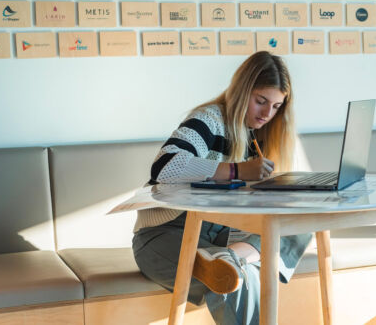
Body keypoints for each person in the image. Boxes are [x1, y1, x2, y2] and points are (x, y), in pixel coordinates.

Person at [132, 51, 312, 325]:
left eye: (276, 107)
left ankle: (232, 258)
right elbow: (164, 167)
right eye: (261, 101)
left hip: (222, 236)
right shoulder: (210, 119)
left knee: (299, 225)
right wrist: (237, 170)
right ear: (241, 92)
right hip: (166, 234)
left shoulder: (262, 134)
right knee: (236, 278)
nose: (267, 114)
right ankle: (229, 262)